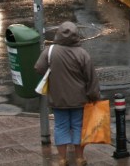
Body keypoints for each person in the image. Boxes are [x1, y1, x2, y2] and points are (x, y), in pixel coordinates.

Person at [35, 21, 101, 166]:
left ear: (58, 34)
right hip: (79, 98)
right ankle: (79, 158)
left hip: (58, 98)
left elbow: (39, 68)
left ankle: (62, 158)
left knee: (60, 126)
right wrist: (94, 96)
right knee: (78, 126)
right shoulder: (82, 54)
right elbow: (91, 78)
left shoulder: (50, 51)